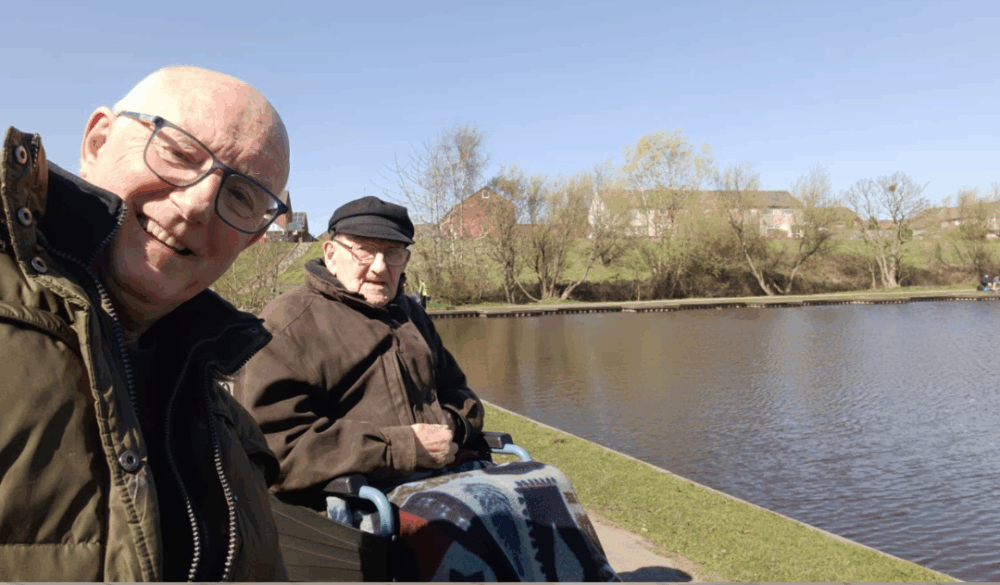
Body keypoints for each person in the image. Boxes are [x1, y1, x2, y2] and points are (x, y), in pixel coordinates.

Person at [0, 66, 290, 581]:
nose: (199, 203)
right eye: (178, 153)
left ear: (249, 241)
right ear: (97, 140)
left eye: (243, 196)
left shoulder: (224, 415)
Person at [235, 196, 618, 581]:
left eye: (394, 253)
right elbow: (275, 449)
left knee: (546, 484)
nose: (380, 267)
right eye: (364, 252)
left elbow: (462, 397)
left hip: (446, 471)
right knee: (468, 519)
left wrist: (449, 430)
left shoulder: (409, 314)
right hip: (356, 496)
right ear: (331, 253)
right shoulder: (288, 323)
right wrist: (403, 447)